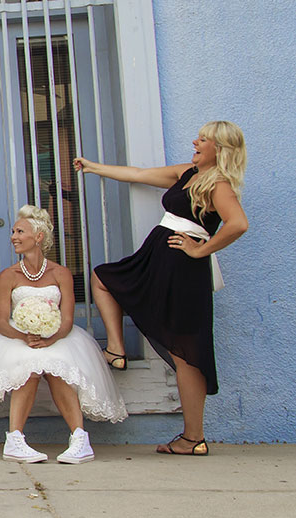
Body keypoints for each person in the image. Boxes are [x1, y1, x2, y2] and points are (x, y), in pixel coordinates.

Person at [74, 121, 248, 455]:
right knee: (104, 278)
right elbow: (139, 174)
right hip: (157, 260)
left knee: (186, 351)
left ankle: (193, 437)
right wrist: (93, 167)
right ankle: (116, 349)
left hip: (183, 269)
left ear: (220, 149)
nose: (195, 141)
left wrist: (199, 249)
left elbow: (238, 223)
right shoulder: (188, 173)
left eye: (204, 139)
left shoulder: (218, 183)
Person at [0, 206, 127, 463]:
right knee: (29, 369)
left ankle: (79, 439)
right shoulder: (9, 275)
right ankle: (15, 440)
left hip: (57, 336)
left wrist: (51, 338)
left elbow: (68, 319)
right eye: (13, 232)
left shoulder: (60, 274)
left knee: (57, 368)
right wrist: (25, 337)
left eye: (20, 231)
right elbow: (3, 322)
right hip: (17, 337)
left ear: (38, 237)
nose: (13, 236)